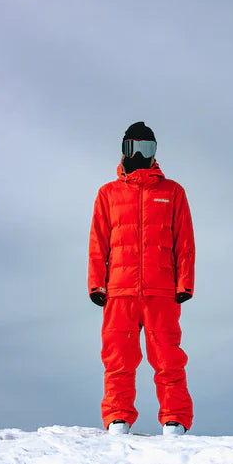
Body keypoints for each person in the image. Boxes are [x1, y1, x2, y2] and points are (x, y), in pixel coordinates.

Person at [87, 121, 195, 436]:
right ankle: (118, 418)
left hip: (162, 291)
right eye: (133, 148)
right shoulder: (108, 193)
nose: (139, 155)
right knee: (118, 357)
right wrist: (97, 284)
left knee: (168, 358)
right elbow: (98, 242)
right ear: (124, 150)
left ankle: (174, 419)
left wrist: (184, 283)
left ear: (155, 152)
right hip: (119, 291)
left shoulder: (172, 192)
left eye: (146, 149)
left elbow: (184, 242)